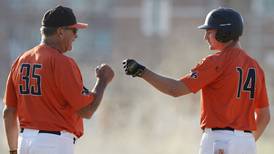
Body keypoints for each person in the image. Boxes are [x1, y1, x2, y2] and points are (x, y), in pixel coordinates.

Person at [123, 7, 270, 154]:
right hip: (247, 144)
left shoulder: (216, 61)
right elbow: (264, 116)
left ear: (225, 33)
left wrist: (142, 72)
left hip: (220, 140)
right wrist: (245, 143)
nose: (205, 37)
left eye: (209, 32)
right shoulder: (256, 67)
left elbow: (175, 89)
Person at [3, 5, 114, 154]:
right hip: (52, 143)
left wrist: (13, 150)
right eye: (74, 30)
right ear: (61, 32)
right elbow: (86, 111)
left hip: (25, 141)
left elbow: (9, 112)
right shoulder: (62, 62)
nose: (76, 35)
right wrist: (102, 81)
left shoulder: (20, 60)